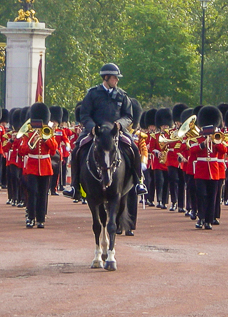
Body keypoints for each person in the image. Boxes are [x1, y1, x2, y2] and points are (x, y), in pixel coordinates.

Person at [63, 63, 146, 199]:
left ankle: (138, 182)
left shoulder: (122, 95)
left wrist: (120, 124)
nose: (117, 80)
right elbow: (84, 114)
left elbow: (129, 116)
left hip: (116, 131)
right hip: (96, 130)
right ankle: (74, 186)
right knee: (77, 150)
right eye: (115, 77)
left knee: (134, 149)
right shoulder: (92, 94)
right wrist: (92, 127)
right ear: (106, 78)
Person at [19, 102, 58, 228]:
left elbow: (53, 150)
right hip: (32, 166)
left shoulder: (47, 133)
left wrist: (47, 139)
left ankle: (40, 218)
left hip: (45, 167)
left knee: (42, 193)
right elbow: (22, 151)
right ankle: (30, 217)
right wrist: (32, 143)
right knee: (32, 192)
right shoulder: (28, 135)